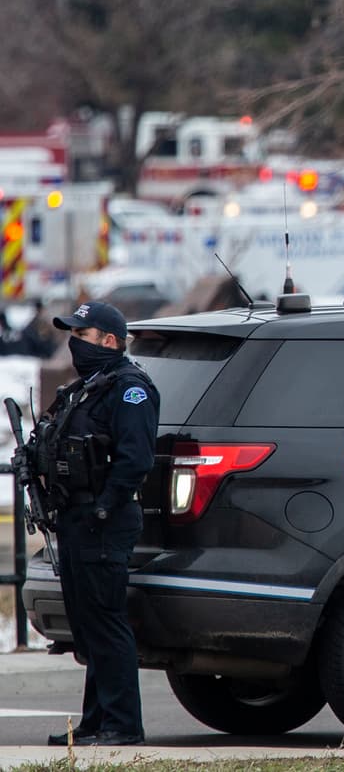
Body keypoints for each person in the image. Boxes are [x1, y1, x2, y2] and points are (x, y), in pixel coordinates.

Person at [37, 301, 158, 747]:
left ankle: (123, 724)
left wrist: (104, 506)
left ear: (109, 341)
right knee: (87, 625)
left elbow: (135, 459)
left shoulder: (130, 390)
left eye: (81, 335)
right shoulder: (88, 388)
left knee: (106, 622)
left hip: (104, 520)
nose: (74, 343)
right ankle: (97, 720)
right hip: (77, 519)